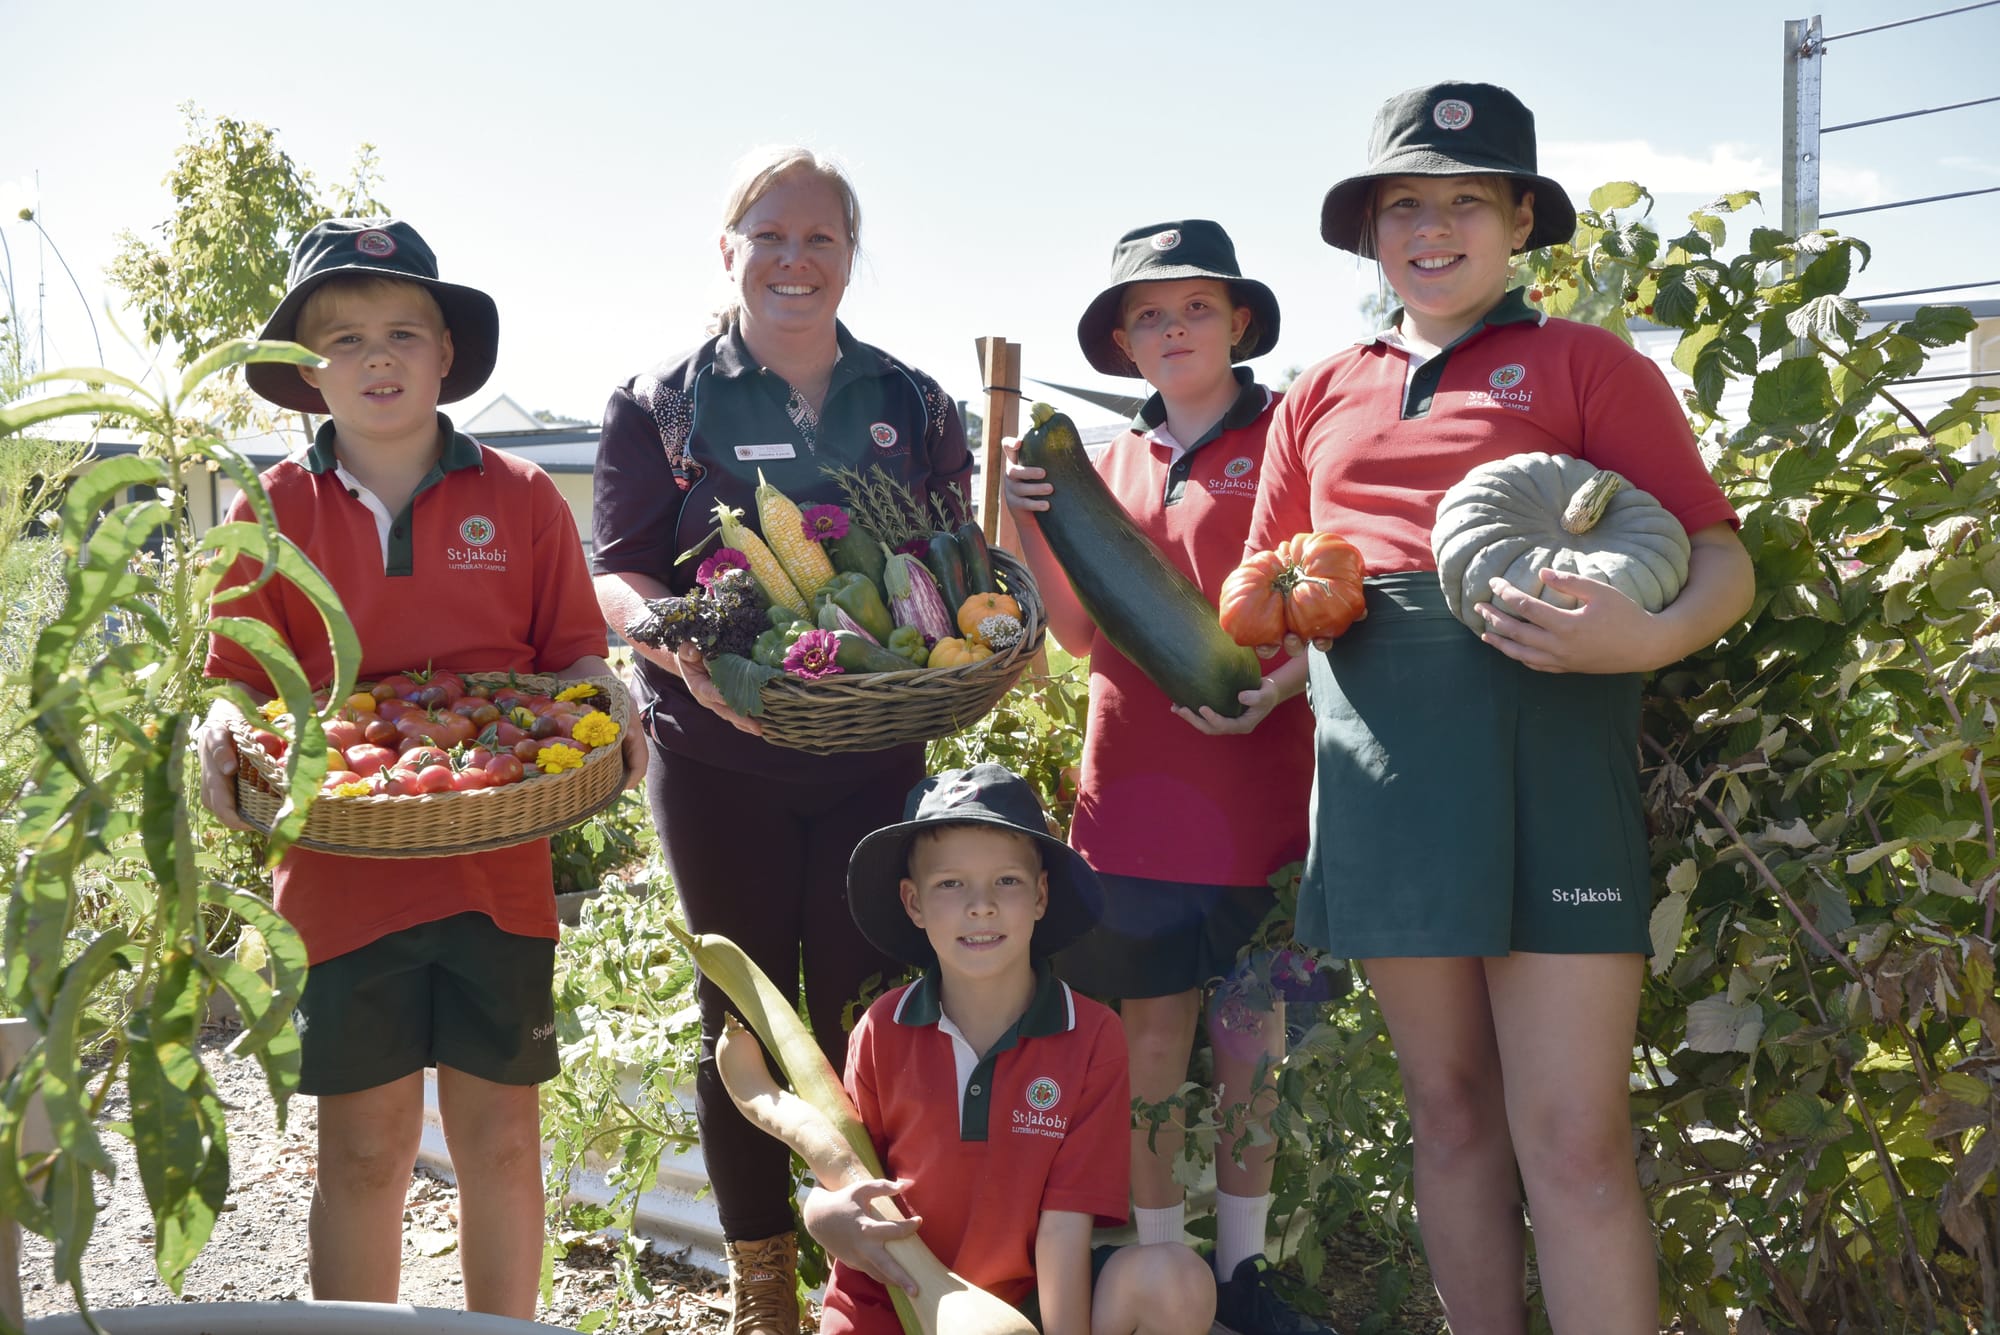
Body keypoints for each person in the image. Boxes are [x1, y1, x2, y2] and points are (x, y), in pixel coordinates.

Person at [1245, 83, 1756, 1334]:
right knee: (1450, 1114)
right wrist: (1245, 679)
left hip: (1554, 768)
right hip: (1380, 780)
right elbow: (1271, 592)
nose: (1432, 229)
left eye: (1465, 200)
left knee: (1573, 1139)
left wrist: (1648, 636)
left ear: (1521, 220)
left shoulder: (1589, 365)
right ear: (1369, 231)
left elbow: (1719, 559)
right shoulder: (1316, 394)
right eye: (1402, 205)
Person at [196, 218, 644, 1319]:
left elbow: (571, 661)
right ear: (306, 371)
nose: (377, 358)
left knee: (502, 1141)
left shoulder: (523, 497)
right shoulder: (269, 511)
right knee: (362, 1151)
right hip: (338, 876)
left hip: (498, 873)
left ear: (447, 353)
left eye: (403, 332)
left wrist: (612, 694)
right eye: (344, 339)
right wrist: (219, 726)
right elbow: (236, 678)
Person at [588, 146, 973, 1334]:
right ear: (729, 252)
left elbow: (953, 559)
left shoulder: (912, 402)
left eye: (820, 238)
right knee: (743, 1026)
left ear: (850, 256)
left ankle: (871, 1280)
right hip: (717, 760)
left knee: (871, 1017)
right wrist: (680, 653)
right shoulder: (660, 403)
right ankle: (762, 1282)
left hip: (873, 756)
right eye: (769, 236)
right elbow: (619, 571)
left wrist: (980, 638)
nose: (793, 260)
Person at [1002, 221, 1331, 1334]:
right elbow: (1079, 636)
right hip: (1131, 802)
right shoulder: (1099, 469)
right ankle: (1157, 1270)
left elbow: (1337, 595)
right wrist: (1031, 528)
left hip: (1263, 797)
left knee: (1248, 1046)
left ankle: (1242, 1276)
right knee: (1146, 1046)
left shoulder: (1291, 434)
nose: (1172, 328)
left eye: (1195, 307)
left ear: (1239, 322)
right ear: (1122, 343)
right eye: (1148, 314)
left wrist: (1280, 684)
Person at [811, 763, 1217, 1335]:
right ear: (913, 902)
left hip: (1020, 1309)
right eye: (950, 884)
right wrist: (820, 1215)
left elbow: (1064, 1225)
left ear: (1041, 895)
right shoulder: (882, 1029)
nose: (981, 905)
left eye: (1006, 881)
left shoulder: (1091, 1035)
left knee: (1176, 1278)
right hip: (896, 1303)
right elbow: (842, 1177)